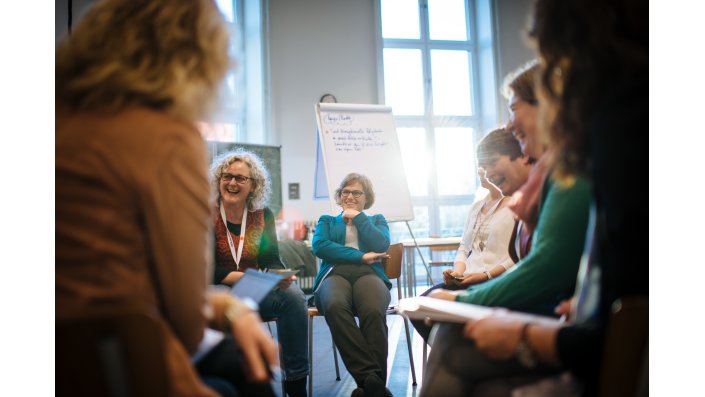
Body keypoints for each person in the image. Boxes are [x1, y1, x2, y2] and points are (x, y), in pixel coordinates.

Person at [419, 0, 647, 396]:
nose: (509, 124)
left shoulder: (602, 143)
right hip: (593, 329)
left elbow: (553, 268)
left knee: (453, 341)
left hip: (603, 347)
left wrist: (518, 329)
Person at [56, 1, 277, 396]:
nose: (232, 182)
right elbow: (186, 324)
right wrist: (231, 308)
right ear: (197, 59)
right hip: (115, 363)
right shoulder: (166, 138)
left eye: (241, 178)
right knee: (250, 372)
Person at [411, 127, 531, 341]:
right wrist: (458, 271)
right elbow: (464, 247)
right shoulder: (477, 207)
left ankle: (455, 349)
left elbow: (516, 259)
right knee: (421, 306)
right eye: (481, 168)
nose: (485, 173)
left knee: (440, 314)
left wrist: (485, 275)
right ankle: (449, 350)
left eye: (490, 164)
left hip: (492, 278)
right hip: (469, 277)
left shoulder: (515, 204)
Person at [210, 148, 309, 397]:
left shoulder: (262, 215)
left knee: (294, 297)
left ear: (253, 185)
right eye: (227, 176)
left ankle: (296, 385)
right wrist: (242, 277)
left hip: (253, 291)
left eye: (240, 178)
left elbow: (270, 259)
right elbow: (205, 269)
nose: (232, 182)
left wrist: (280, 274)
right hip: (217, 294)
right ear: (219, 179)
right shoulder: (205, 214)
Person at [311, 173, 392, 397]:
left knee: (373, 310)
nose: (350, 196)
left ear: (367, 198)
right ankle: (371, 382)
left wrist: (358, 218)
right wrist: (360, 256)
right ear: (339, 196)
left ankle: (369, 386)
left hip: (369, 276)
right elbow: (320, 246)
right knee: (335, 306)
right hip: (334, 275)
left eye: (357, 193)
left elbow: (382, 244)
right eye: (345, 192)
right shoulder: (327, 220)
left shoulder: (376, 220)